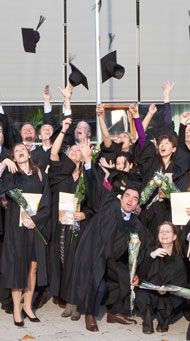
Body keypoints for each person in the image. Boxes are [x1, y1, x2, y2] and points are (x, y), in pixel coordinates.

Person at [69, 138, 153, 332]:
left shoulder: (135, 223)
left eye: (135, 199)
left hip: (114, 259)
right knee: (98, 285)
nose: (130, 201)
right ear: (121, 197)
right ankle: (90, 313)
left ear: (138, 203)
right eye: (128, 197)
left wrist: (137, 270)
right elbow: (95, 187)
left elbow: (146, 244)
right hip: (96, 253)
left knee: (126, 277)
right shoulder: (109, 203)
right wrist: (88, 162)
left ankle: (114, 313)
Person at [0, 143, 51, 326]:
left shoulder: (40, 174)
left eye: (23, 149)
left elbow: (46, 201)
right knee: (17, 267)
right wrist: (4, 163)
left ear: (29, 153)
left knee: (32, 268)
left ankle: (28, 306)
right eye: (16, 151)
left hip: (35, 227)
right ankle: (16, 309)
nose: (20, 152)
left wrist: (35, 220)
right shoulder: (10, 175)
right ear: (14, 157)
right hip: (16, 227)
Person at [48, 118, 93, 320]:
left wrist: (85, 214)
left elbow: (96, 203)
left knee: (78, 263)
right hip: (62, 225)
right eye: (71, 151)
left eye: (78, 151)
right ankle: (67, 300)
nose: (75, 152)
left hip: (81, 225)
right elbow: (53, 152)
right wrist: (64, 130)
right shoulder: (61, 175)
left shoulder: (88, 177)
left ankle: (77, 303)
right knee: (64, 262)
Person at [135, 221, 187, 334]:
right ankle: (147, 321)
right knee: (143, 295)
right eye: (161, 231)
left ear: (174, 236)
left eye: (167, 231)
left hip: (168, 294)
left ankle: (164, 319)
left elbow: (181, 284)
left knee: (171, 303)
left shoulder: (178, 260)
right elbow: (141, 275)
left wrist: (166, 288)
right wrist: (151, 256)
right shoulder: (150, 251)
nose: (164, 234)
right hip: (151, 293)